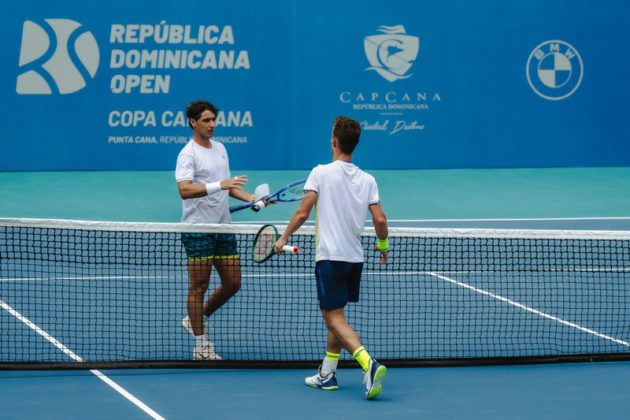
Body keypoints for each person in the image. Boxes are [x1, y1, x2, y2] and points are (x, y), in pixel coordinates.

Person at [274, 115, 389, 400]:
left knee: (334, 318)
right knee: (336, 316)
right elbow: (380, 219)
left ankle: (368, 364)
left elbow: (303, 212)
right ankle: (327, 374)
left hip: (330, 258)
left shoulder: (320, 172)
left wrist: (283, 237)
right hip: (355, 259)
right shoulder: (369, 180)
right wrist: (383, 245)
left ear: (334, 141)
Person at [175, 100, 258, 360]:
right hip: (198, 228)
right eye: (206, 120)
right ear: (193, 122)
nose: (211, 125)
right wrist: (219, 185)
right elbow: (184, 189)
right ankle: (201, 346)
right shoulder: (188, 154)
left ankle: (194, 319)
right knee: (198, 286)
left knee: (233, 282)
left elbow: (229, 186)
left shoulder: (220, 148)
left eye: (213, 120)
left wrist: (251, 198)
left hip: (222, 226)